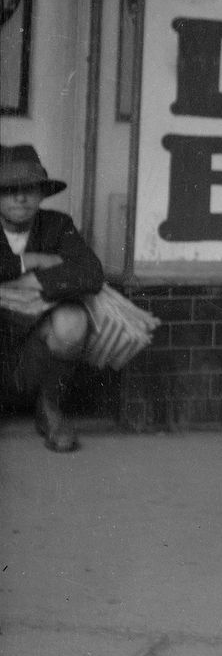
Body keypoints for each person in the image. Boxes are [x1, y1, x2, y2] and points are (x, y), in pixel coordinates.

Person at [0, 145, 104, 453]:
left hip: (33, 343)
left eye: (30, 189)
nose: (21, 198)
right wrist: (31, 261)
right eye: (10, 190)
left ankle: (49, 408)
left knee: (73, 320)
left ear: (42, 194)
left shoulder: (57, 225)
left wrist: (30, 281)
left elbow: (90, 273)